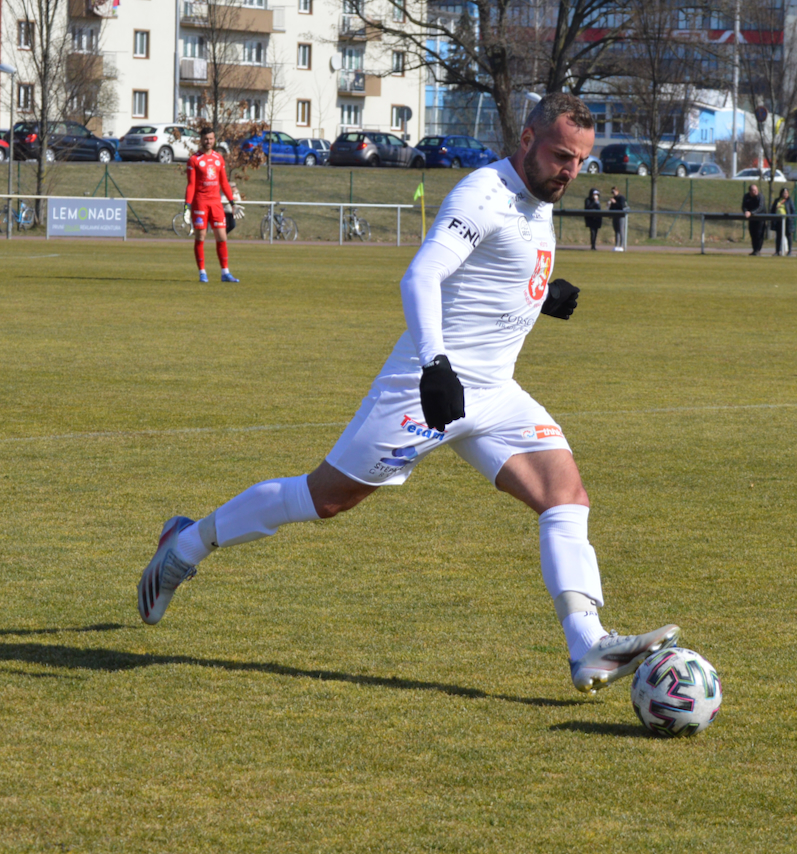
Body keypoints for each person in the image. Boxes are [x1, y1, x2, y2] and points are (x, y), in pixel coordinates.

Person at [136, 92, 680, 697]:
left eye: (579, 161)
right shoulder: (484, 193)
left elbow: (491, 268)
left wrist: (538, 293)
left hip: (495, 394)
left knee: (566, 497)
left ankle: (587, 644)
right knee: (324, 499)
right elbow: (422, 274)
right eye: (560, 156)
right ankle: (185, 545)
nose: (569, 171)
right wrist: (434, 366)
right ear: (526, 140)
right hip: (428, 389)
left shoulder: (538, 199)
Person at [186, 127, 239, 283]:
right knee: (200, 237)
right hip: (200, 203)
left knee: (222, 237)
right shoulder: (194, 159)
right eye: (205, 139)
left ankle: (225, 273)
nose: (208, 141)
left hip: (216, 203)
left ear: (214, 140)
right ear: (201, 140)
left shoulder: (219, 158)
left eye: (210, 138)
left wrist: (232, 202)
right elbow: (191, 185)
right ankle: (202, 272)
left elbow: (224, 182)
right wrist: (187, 205)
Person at [741, 183, 765, 255]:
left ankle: (758, 250)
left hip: (760, 218)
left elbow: (760, 207)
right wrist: (746, 211)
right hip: (751, 218)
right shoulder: (746, 196)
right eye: (754, 190)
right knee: (752, 233)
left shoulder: (760, 196)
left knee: (759, 234)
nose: (756, 191)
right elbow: (744, 206)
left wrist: (751, 212)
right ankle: (754, 250)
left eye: (756, 190)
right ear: (750, 191)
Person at [772, 186, 796, 256]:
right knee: (778, 236)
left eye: (786, 193)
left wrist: (790, 218)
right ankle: (777, 251)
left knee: (788, 236)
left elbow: (793, 211)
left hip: (787, 221)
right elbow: (773, 209)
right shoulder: (777, 200)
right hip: (778, 221)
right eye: (784, 193)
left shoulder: (789, 201)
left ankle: (789, 251)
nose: (785, 194)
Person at [607, 186, 627, 252]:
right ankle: (617, 245)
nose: (613, 193)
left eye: (614, 191)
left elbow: (621, 206)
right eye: (612, 192)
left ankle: (622, 245)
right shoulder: (613, 198)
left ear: (617, 191)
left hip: (621, 216)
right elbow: (612, 208)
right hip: (615, 216)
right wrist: (609, 206)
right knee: (616, 231)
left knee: (621, 230)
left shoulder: (621, 198)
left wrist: (615, 202)